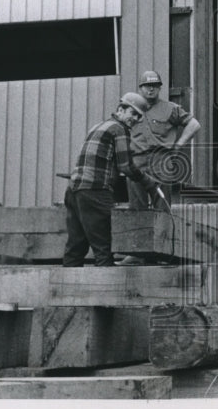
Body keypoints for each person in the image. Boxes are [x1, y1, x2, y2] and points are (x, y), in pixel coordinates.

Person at [63, 92, 168, 267]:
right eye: (132, 113)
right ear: (120, 109)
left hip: (74, 190)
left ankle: (64, 289)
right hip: (95, 191)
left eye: (138, 116)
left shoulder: (99, 126)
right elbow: (126, 166)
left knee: (76, 246)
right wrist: (148, 183)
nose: (135, 119)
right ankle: (108, 291)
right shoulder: (119, 129)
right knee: (103, 249)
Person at [126, 70, 201, 210]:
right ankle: (141, 232)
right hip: (136, 161)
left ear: (160, 87)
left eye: (154, 85)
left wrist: (178, 145)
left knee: (162, 205)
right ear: (140, 88)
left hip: (160, 160)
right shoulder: (131, 109)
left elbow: (194, 124)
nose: (151, 89)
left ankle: (163, 232)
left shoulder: (170, 108)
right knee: (137, 208)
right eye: (147, 86)